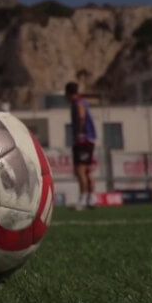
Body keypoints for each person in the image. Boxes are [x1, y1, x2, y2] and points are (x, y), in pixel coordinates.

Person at [65, 82, 97, 210]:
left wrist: (80, 133)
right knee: (87, 170)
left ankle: (83, 199)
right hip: (89, 140)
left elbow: (81, 116)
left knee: (80, 170)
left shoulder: (77, 103)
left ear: (68, 93)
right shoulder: (83, 101)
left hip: (83, 140)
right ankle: (91, 198)